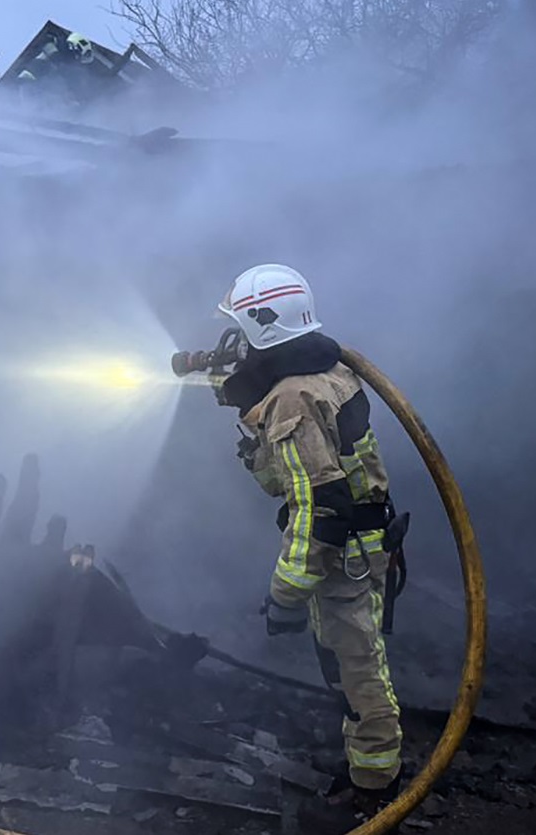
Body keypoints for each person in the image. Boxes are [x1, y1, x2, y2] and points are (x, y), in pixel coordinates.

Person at [213, 263, 404, 814]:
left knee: (359, 670)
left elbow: (316, 509)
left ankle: (376, 790)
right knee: (346, 663)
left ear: (261, 327)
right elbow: (291, 477)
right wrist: (254, 433)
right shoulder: (330, 373)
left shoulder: (293, 400)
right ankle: (368, 769)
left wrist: (284, 596)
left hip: (343, 559)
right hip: (354, 552)